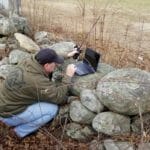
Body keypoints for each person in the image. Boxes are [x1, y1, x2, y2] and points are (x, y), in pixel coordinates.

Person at [0, 48, 77, 138]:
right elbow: (58, 97)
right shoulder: (37, 80)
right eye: (54, 63)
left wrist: (67, 55)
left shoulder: (30, 60)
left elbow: (43, 54)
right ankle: (18, 132)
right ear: (46, 65)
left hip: (4, 104)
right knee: (51, 109)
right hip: (8, 116)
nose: (56, 65)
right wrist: (68, 76)